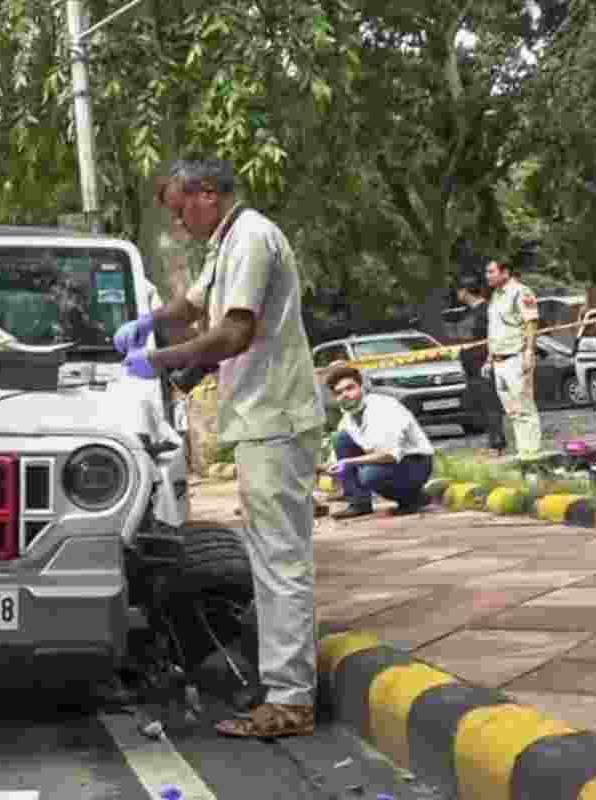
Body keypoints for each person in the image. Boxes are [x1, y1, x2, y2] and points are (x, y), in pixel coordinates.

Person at [114, 157, 324, 740]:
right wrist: (147, 322)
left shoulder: (253, 237)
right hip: (261, 419)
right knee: (269, 558)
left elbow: (234, 332)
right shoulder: (227, 243)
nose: (181, 223)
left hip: (276, 417)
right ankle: (283, 683)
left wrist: (158, 360)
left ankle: (291, 700)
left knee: (281, 562)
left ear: (208, 192)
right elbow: (192, 306)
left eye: (182, 209)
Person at [323, 365, 436, 518]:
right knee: (340, 438)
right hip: (388, 461)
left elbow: (389, 455)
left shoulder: (382, 407)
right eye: (339, 392)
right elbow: (337, 460)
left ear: (362, 388)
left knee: (369, 475)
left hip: (415, 463)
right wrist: (323, 468)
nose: (345, 395)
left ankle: (412, 499)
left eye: (350, 388)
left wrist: (349, 462)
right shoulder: (348, 418)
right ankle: (358, 503)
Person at [484, 256, 542, 464]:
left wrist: (529, 352)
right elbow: (495, 330)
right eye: (487, 272)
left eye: (491, 271)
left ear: (505, 272)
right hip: (499, 359)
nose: (487, 276)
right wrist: (489, 359)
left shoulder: (520, 291)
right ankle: (523, 453)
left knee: (525, 408)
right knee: (513, 411)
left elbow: (530, 323)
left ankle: (532, 455)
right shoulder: (495, 296)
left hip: (516, 357)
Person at [454, 274, 506, 455]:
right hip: (472, 368)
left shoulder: (487, 311)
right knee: (482, 406)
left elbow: (494, 338)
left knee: (491, 405)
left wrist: (489, 361)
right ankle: (492, 442)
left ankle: (497, 444)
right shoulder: (470, 312)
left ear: (466, 291)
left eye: (459, 290)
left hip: (485, 365)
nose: (457, 294)